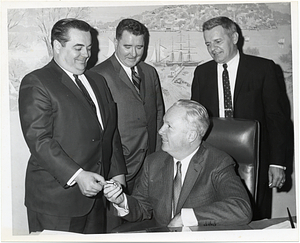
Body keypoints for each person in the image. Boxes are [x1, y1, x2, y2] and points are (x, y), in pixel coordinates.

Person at [18, 18, 127, 234]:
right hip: (55, 203)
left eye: (88, 48)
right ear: (57, 46)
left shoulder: (98, 81)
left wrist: (117, 175)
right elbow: (39, 141)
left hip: (96, 201)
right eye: (78, 48)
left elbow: (109, 134)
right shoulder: (36, 82)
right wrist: (78, 176)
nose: (86, 54)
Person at [191, 16, 291, 220]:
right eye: (208, 44)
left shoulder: (263, 69)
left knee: (254, 219)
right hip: (213, 163)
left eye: (218, 42)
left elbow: (277, 119)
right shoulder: (202, 73)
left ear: (234, 37)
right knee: (217, 218)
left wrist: (277, 163)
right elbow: (196, 122)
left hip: (255, 160)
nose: (213, 49)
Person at [103, 100, 252, 228]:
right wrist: (122, 200)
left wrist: (186, 218)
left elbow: (241, 208)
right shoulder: (153, 162)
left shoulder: (218, 163)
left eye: (169, 126)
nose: (161, 131)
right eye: (163, 124)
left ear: (191, 135)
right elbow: (143, 209)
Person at [91, 18, 164, 231]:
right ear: (115, 43)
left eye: (139, 47)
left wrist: (159, 158)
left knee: (145, 225)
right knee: (115, 227)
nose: (133, 53)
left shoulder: (150, 73)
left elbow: (159, 114)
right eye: (127, 46)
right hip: (118, 168)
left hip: (149, 166)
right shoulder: (98, 75)